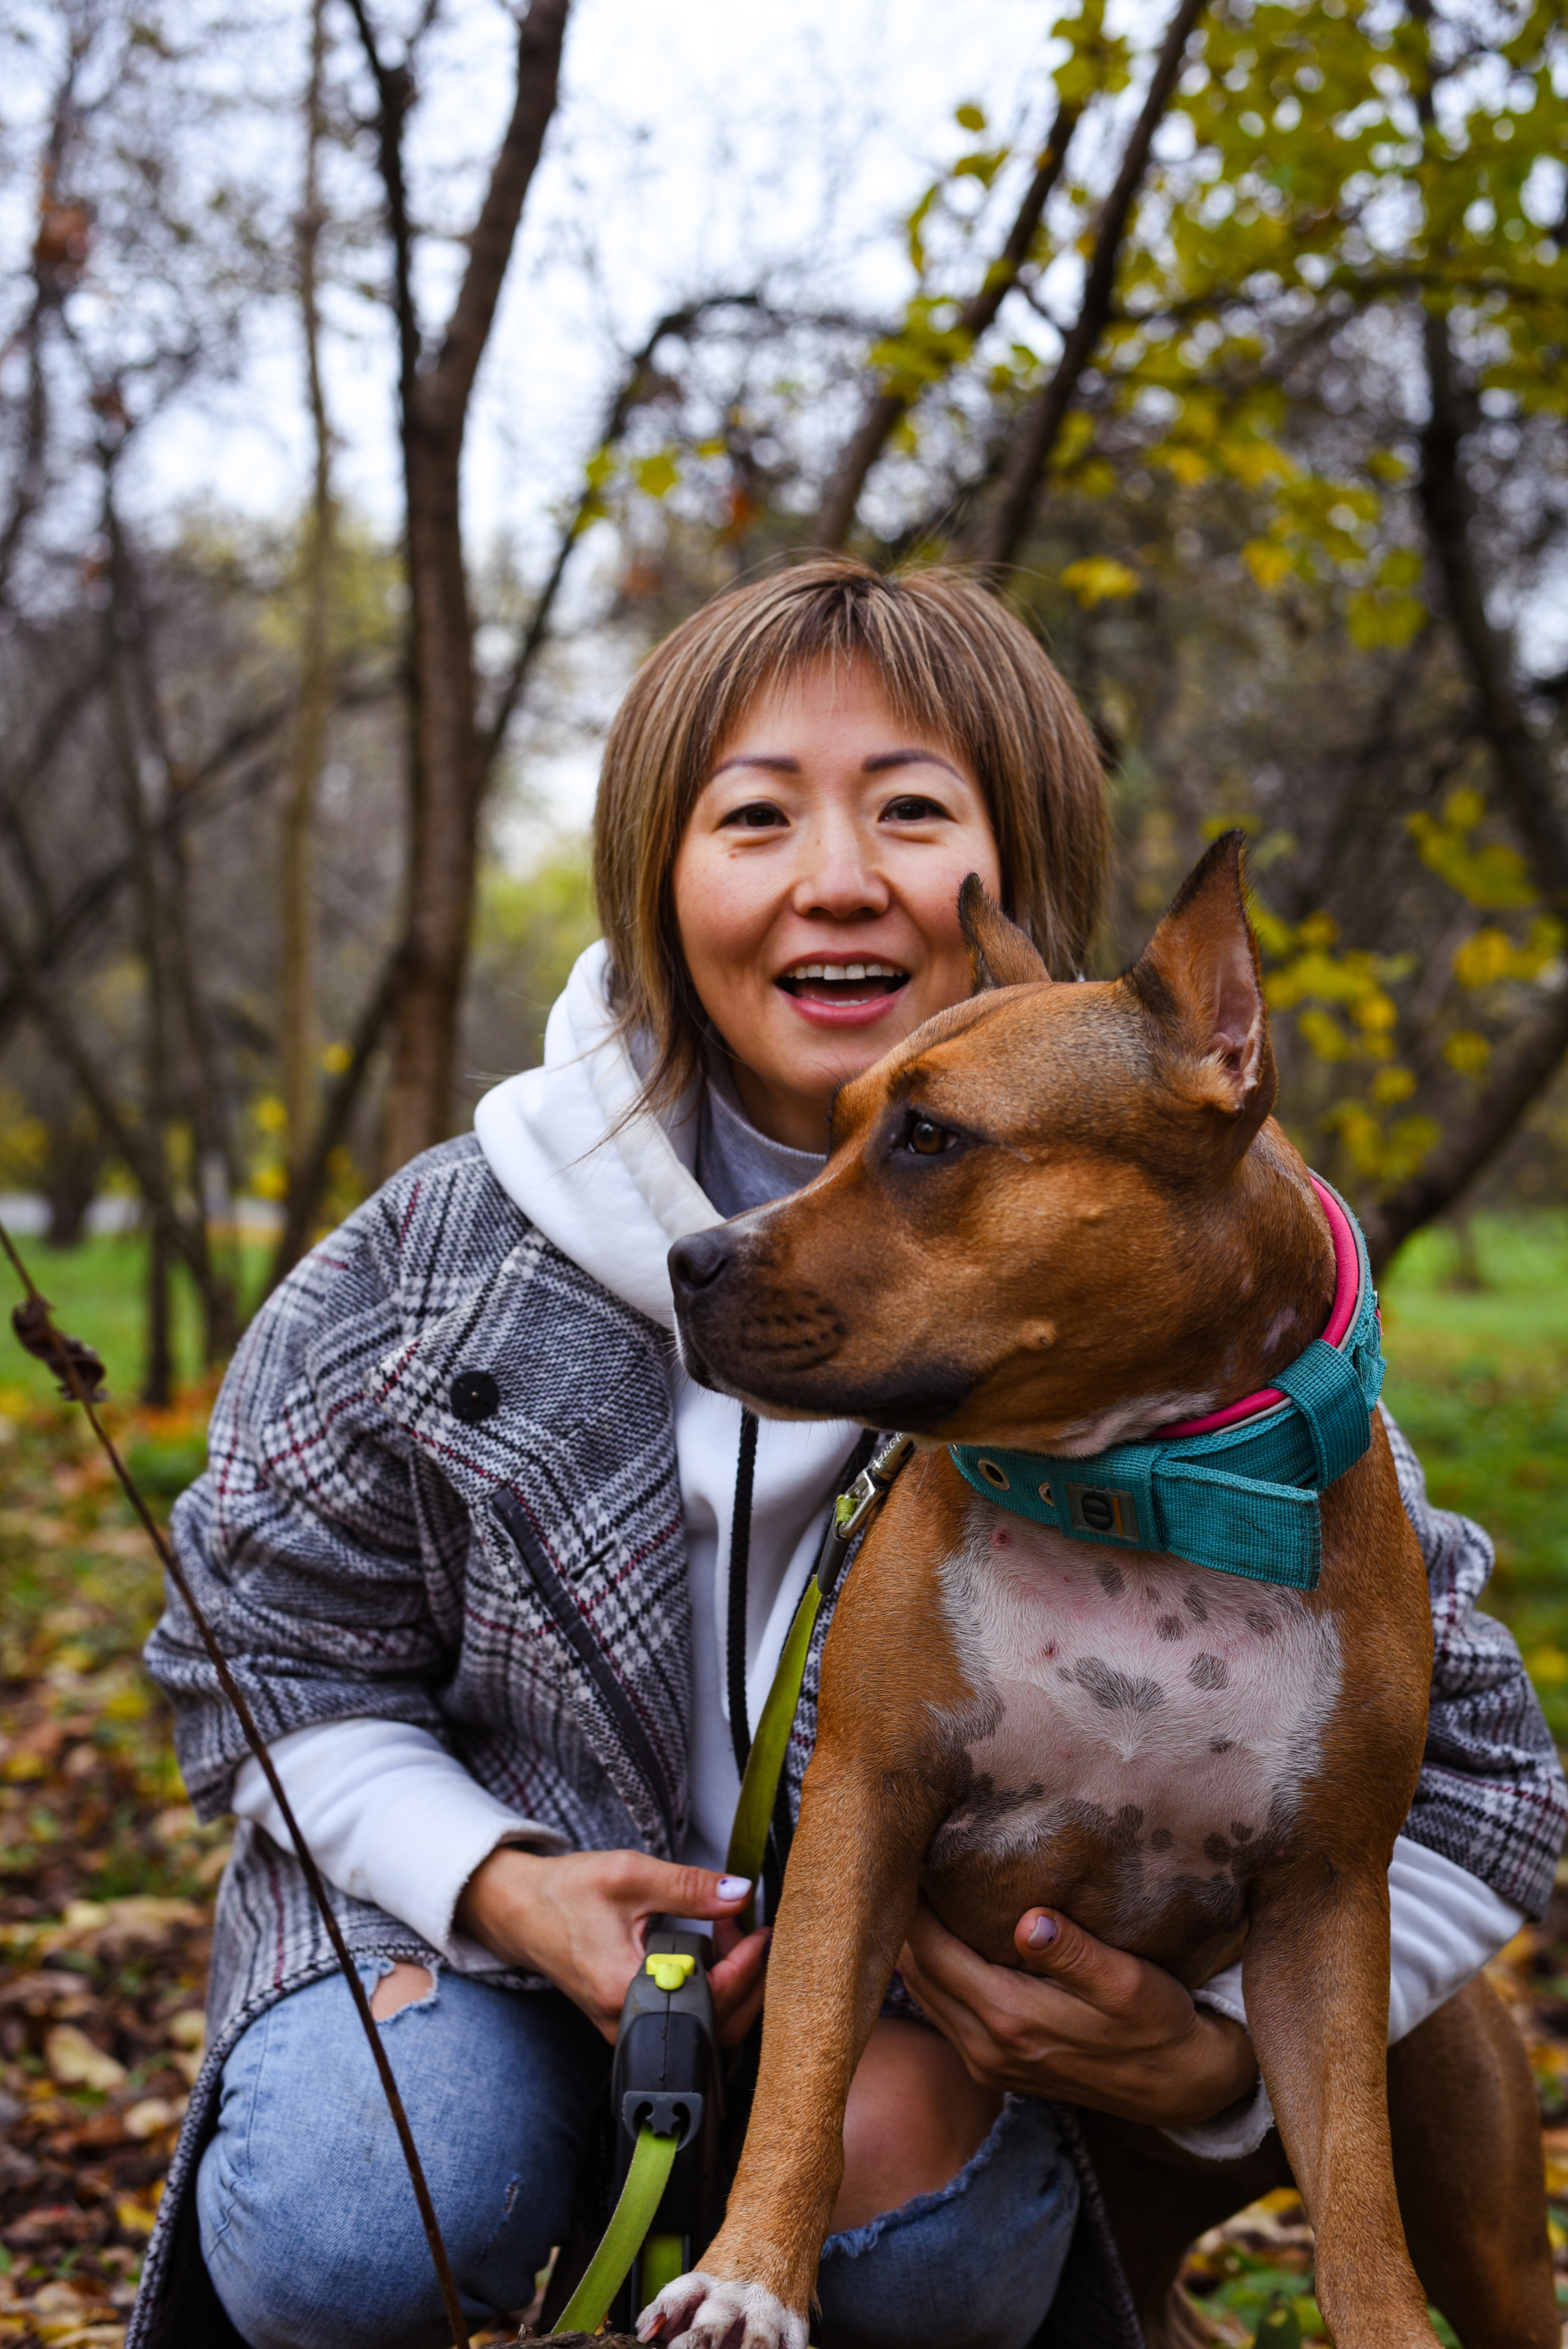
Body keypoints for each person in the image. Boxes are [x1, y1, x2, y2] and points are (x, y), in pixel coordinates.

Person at [130, 560, 1566, 2349]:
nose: (837, 876)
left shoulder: (1203, 1356)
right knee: (354, 2210)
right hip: (479, 1970)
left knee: (938, 2259)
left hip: (918, 2047)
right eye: (755, 815)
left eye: (911, 811)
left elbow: (1483, 1780)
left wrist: (1210, 2059)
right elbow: (251, 1656)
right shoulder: (438, 1259)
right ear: (658, 876)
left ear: (1010, 877)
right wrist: (501, 1880)